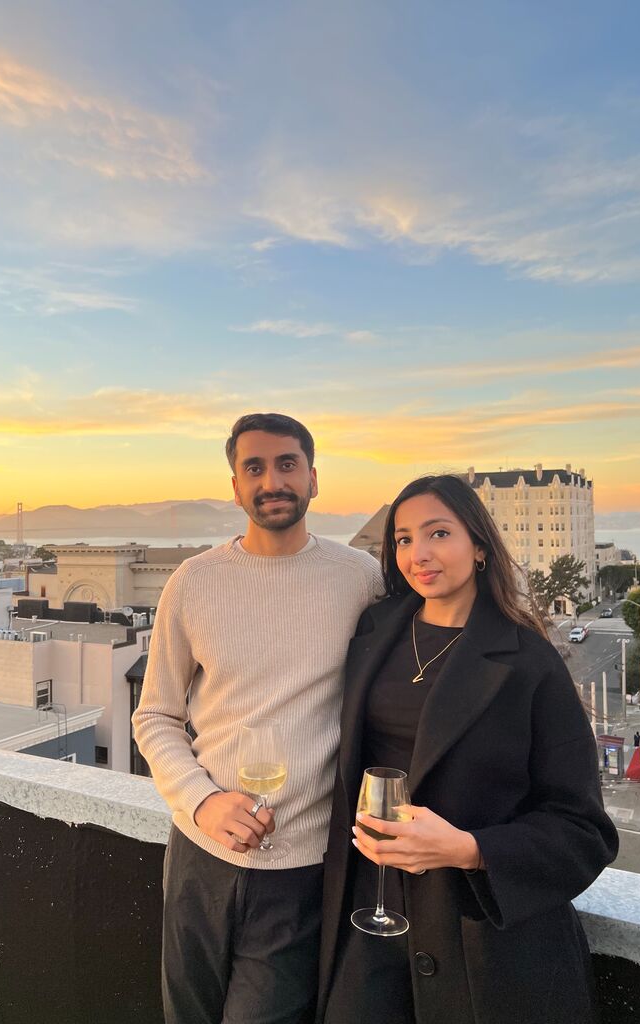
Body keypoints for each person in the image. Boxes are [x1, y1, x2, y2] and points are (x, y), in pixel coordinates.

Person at [317, 474, 618, 1024]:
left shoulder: (528, 661)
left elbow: (585, 831)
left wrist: (469, 849)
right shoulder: (373, 631)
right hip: (370, 915)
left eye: (438, 533)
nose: (418, 553)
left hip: (484, 941)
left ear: (478, 546)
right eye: (403, 539)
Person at [132, 412, 383, 1024]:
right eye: (254, 468)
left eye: (287, 464)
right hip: (198, 854)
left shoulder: (360, 579)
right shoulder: (193, 583)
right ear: (236, 486)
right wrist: (202, 801)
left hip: (301, 869)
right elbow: (156, 716)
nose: (272, 480)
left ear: (314, 479)